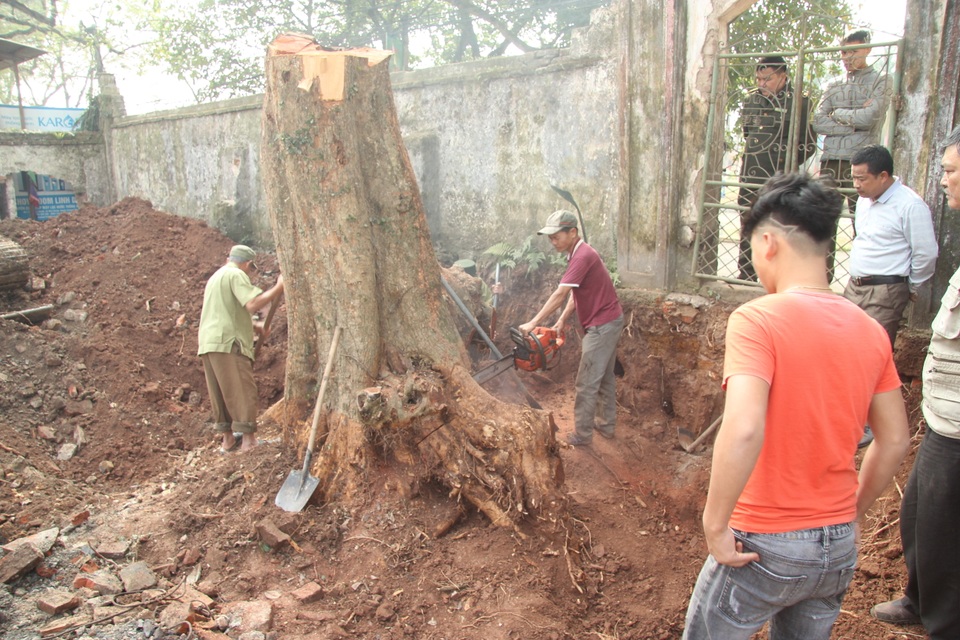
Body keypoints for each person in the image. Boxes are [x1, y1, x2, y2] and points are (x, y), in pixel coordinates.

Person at [682, 173, 910, 640]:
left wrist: (715, 523)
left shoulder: (756, 320)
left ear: (767, 243)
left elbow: (744, 428)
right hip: (837, 547)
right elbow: (894, 441)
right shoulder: (871, 331)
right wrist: (852, 514)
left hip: (765, 541)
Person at [871, 124, 960, 640]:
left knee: (945, 525)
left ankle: (944, 623)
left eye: (949, 170)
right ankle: (920, 599)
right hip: (944, 420)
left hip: (957, 426)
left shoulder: (909, 208)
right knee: (919, 514)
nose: (943, 180)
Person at [518, 210, 623, 446]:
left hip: (602, 325)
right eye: (550, 237)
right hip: (609, 321)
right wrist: (562, 319)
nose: (552, 241)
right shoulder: (578, 254)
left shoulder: (582, 256)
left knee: (586, 382)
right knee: (605, 377)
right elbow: (576, 293)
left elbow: (561, 294)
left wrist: (533, 322)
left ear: (573, 232)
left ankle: (582, 436)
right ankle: (605, 426)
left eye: (556, 236)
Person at [845, 144, 938, 348]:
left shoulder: (910, 205)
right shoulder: (863, 201)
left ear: (883, 176)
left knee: (873, 348)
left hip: (885, 292)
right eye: (853, 178)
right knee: (845, 344)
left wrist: (911, 286)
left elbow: (926, 253)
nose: (856, 184)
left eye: (862, 179)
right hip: (854, 287)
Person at [198, 245, 284, 453]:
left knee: (220, 390)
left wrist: (255, 326)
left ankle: (228, 440)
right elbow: (252, 304)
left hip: (209, 342)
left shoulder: (216, 277)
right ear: (247, 264)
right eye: (250, 269)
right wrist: (279, 287)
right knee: (242, 388)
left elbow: (225, 311)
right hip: (229, 343)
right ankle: (248, 441)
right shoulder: (236, 274)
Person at [737, 56, 815, 281]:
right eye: (758, 79)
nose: (761, 84)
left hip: (779, 177)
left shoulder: (799, 103)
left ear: (783, 76)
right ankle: (747, 272)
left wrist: (784, 163)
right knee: (749, 222)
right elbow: (749, 134)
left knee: (779, 226)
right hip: (751, 172)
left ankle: (778, 275)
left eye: (767, 79)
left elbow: (808, 144)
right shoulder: (752, 101)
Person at [813, 30, 891, 214]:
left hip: (864, 161)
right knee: (822, 218)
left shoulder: (881, 80)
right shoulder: (834, 85)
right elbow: (818, 122)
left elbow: (869, 119)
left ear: (867, 49)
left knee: (863, 217)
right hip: (831, 160)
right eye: (844, 52)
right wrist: (856, 127)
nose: (847, 57)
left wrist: (837, 113)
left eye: (854, 51)